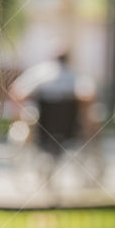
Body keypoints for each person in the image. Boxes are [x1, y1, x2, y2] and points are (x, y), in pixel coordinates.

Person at [8, 50, 99, 187]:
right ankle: (90, 177)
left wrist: (18, 117)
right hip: (70, 130)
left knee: (25, 122)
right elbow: (89, 96)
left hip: (42, 130)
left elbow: (16, 93)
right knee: (94, 121)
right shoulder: (76, 76)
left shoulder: (39, 74)